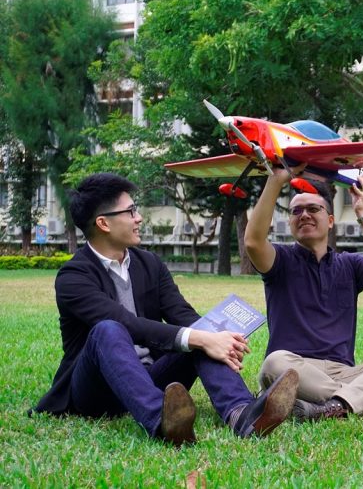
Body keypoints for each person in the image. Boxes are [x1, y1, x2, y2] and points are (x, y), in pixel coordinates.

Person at [30, 173, 299, 446]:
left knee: (200, 333)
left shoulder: (149, 263)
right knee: (108, 329)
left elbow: (181, 314)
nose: (139, 218)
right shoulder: (73, 276)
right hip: (95, 390)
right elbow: (125, 323)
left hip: (152, 378)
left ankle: (242, 414)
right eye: (131, 211)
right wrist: (201, 338)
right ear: (103, 223)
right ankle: (161, 421)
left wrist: (218, 336)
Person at [245, 167, 363, 421]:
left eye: (313, 209)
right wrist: (275, 180)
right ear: (290, 223)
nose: (304, 215)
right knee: (274, 364)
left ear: (330, 221)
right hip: (296, 369)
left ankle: (332, 406)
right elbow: (253, 242)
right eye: (296, 211)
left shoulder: (349, 264)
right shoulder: (279, 260)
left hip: (344, 372)